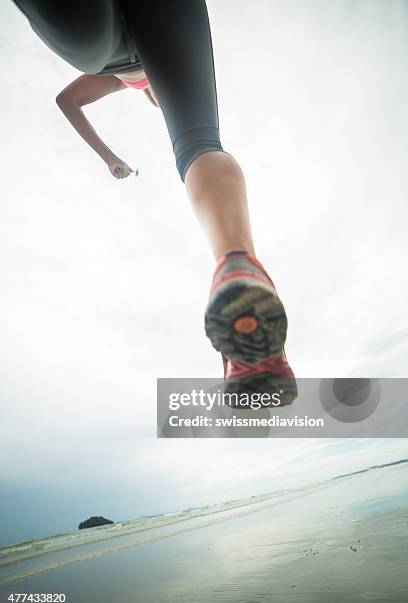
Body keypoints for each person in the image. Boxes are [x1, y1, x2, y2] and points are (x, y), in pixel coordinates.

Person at [12, 0, 297, 404]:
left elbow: (68, 101)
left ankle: (240, 273)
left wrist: (110, 158)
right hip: (157, 22)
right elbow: (67, 102)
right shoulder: (131, 72)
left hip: (114, 48)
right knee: (197, 140)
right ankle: (238, 268)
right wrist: (109, 158)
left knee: (89, 46)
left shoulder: (120, 78)